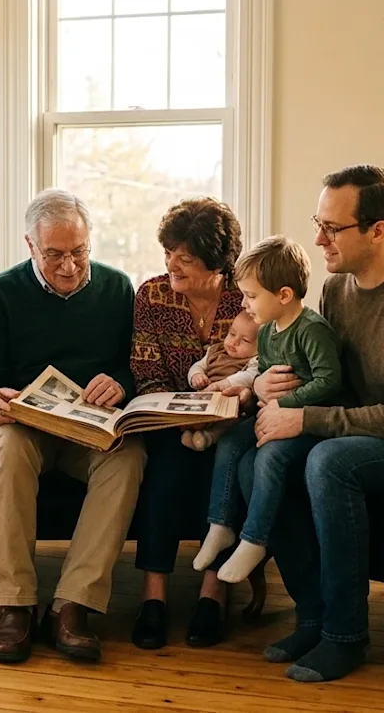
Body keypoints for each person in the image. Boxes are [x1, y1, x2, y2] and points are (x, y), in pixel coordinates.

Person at [246, 165, 384, 683]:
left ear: (379, 231)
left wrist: (304, 418)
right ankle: (314, 617)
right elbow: (326, 380)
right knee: (265, 456)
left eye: (333, 227)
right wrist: (266, 387)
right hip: (360, 428)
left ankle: (347, 636)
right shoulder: (337, 288)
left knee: (329, 460)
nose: (318, 238)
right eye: (317, 222)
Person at [0, 187, 145, 665]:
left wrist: (120, 383)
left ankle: (72, 606)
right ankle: (15, 605)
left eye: (80, 252)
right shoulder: (1, 293)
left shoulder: (117, 287)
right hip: (23, 427)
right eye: (55, 255)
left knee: (128, 456)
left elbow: (133, 366)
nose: (70, 266)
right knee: (2, 443)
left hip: (88, 428)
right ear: (30, 245)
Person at [129, 196, 253, 650]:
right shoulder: (152, 295)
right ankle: (154, 596)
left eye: (185, 257)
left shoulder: (247, 298)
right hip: (170, 421)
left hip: (235, 418)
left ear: (217, 263)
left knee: (226, 463)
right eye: (168, 252)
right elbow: (147, 373)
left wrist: (230, 402)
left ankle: (213, 592)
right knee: (167, 466)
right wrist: (179, 411)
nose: (172, 264)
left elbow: (273, 362)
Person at [194, 235, 343, 585]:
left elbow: (330, 381)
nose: (245, 305)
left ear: (284, 295)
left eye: (251, 296)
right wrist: (250, 387)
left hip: (305, 423)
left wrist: (283, 404)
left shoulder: (312, 331)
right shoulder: (265, 332)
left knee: (269, 458)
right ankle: (220, 526)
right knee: (229, 441)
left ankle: (255, 540)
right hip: (272, 414)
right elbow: (260, 371)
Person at [182, 310, 260, 451]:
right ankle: (191, 432)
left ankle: (209, 437)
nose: (234, 342)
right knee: (191, 414)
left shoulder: (254, 360)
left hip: (229, 403)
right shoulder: (215, 350)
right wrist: (196, 376)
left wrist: (224, 384)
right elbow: (198, 366)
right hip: (206, 396)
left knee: (230, 423)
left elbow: (249, 376)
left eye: (245, 340)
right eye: (232, 334)